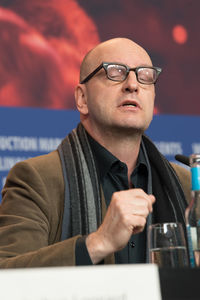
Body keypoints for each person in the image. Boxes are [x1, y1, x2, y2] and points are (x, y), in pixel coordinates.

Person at [0, 37, 191, 268]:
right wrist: (98, 243)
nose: (133, 84)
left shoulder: (188, 186)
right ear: (82, 99)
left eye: (145, 75)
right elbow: (6, 275)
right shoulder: (35, 178)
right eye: (115, 72)